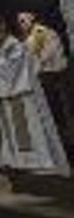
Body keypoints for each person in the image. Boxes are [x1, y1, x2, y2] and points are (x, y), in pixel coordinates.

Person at [0, 22, 69, 174]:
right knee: (13, 133)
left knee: (30, 129)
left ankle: (39, 163)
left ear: (3, 32)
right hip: (7, 97)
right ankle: (19, 163)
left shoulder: (14, 47)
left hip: (22, 95)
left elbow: (10, 70)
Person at [18, 12, 72, 158]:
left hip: (52, 76)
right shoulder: (30, 37)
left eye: (23, 21)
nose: (21, 25)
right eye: (20, 22)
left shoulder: (40, 32)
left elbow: (45, 55)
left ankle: (67, 147)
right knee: (51, 114)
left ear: (32, 20)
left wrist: (33, 66)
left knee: (58, 112)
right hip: (44, 76)